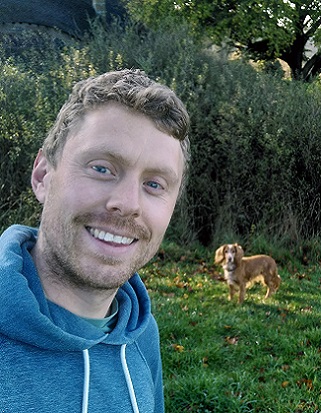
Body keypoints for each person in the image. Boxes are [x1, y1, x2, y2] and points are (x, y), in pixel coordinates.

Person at [0, 69, 190, 413]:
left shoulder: (140, 333)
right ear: (43, 175)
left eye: (154, 184)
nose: (128, 203)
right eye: (102, 168)